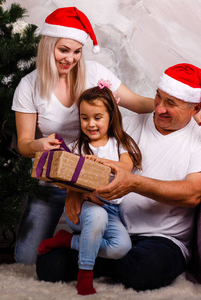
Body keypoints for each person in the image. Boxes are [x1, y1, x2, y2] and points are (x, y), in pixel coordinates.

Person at [12, 7, 201, 265]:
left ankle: (78, 250)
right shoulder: (29, 85)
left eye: (77, 51)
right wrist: (38, 144)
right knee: (25, 260)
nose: (70, 59)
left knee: (108, 239)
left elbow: (137, 103)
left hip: (93, 184)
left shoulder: (94, 73)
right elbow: (25, 145)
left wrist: (183, 108)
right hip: (54, 184)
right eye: (63, 50)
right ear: (48, 45)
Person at [36, 63, 201, 291]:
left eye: (171, 104)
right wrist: (74, 191)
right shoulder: (128, 125)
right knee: (49, 266)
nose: (159, 108)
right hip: (112, 225)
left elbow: (192, 194)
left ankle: (101, 258)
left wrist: (134, 183)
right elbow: (91, 160)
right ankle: (108, 254)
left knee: (145, 269)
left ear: (195, 109)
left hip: (162, 239)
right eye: (158, 97)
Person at [37, 80, 142, 295]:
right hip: (83, 208)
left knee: (121, 247)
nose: (90, 124)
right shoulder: (78, 146)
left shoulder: (121, 142)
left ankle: (67, 240)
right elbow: (67, 179)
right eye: (84, 118)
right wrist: (81, 190)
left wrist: (105, 164)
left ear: (111, 116)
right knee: (97, 217)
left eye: (97, 118)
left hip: (111, 210)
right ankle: (85, 275)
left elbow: (125, 168)